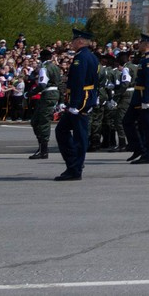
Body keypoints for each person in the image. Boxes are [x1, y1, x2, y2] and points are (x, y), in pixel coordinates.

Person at [54, 28, 100, 182]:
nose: (71, 43)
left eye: (74, 40)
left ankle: (75, 168)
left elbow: (80, 80)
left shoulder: (81, 57)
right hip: (84, 98)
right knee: (63, 130)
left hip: (80, 100)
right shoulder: (90, 56)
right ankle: (74, 162)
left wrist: (74, 103)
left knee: (79, 135)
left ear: (80, 41)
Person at [126, 36, 149, 165]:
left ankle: (148, 154)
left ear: (146, 44)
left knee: (147, 127)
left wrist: (147, 100)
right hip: (138, 95)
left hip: (145, 96)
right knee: (127, 121)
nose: (138, 44)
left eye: (140, 42)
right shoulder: (144, 59)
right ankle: (138, 148)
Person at [28, 49, 61, 160]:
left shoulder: (44, 68)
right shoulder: (56, 67)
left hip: (48, 94)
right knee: (38, 121)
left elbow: (42, 85)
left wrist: (30, 93)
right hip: (54, 94)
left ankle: (43, 150)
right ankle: (42, 149)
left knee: (41, 121)